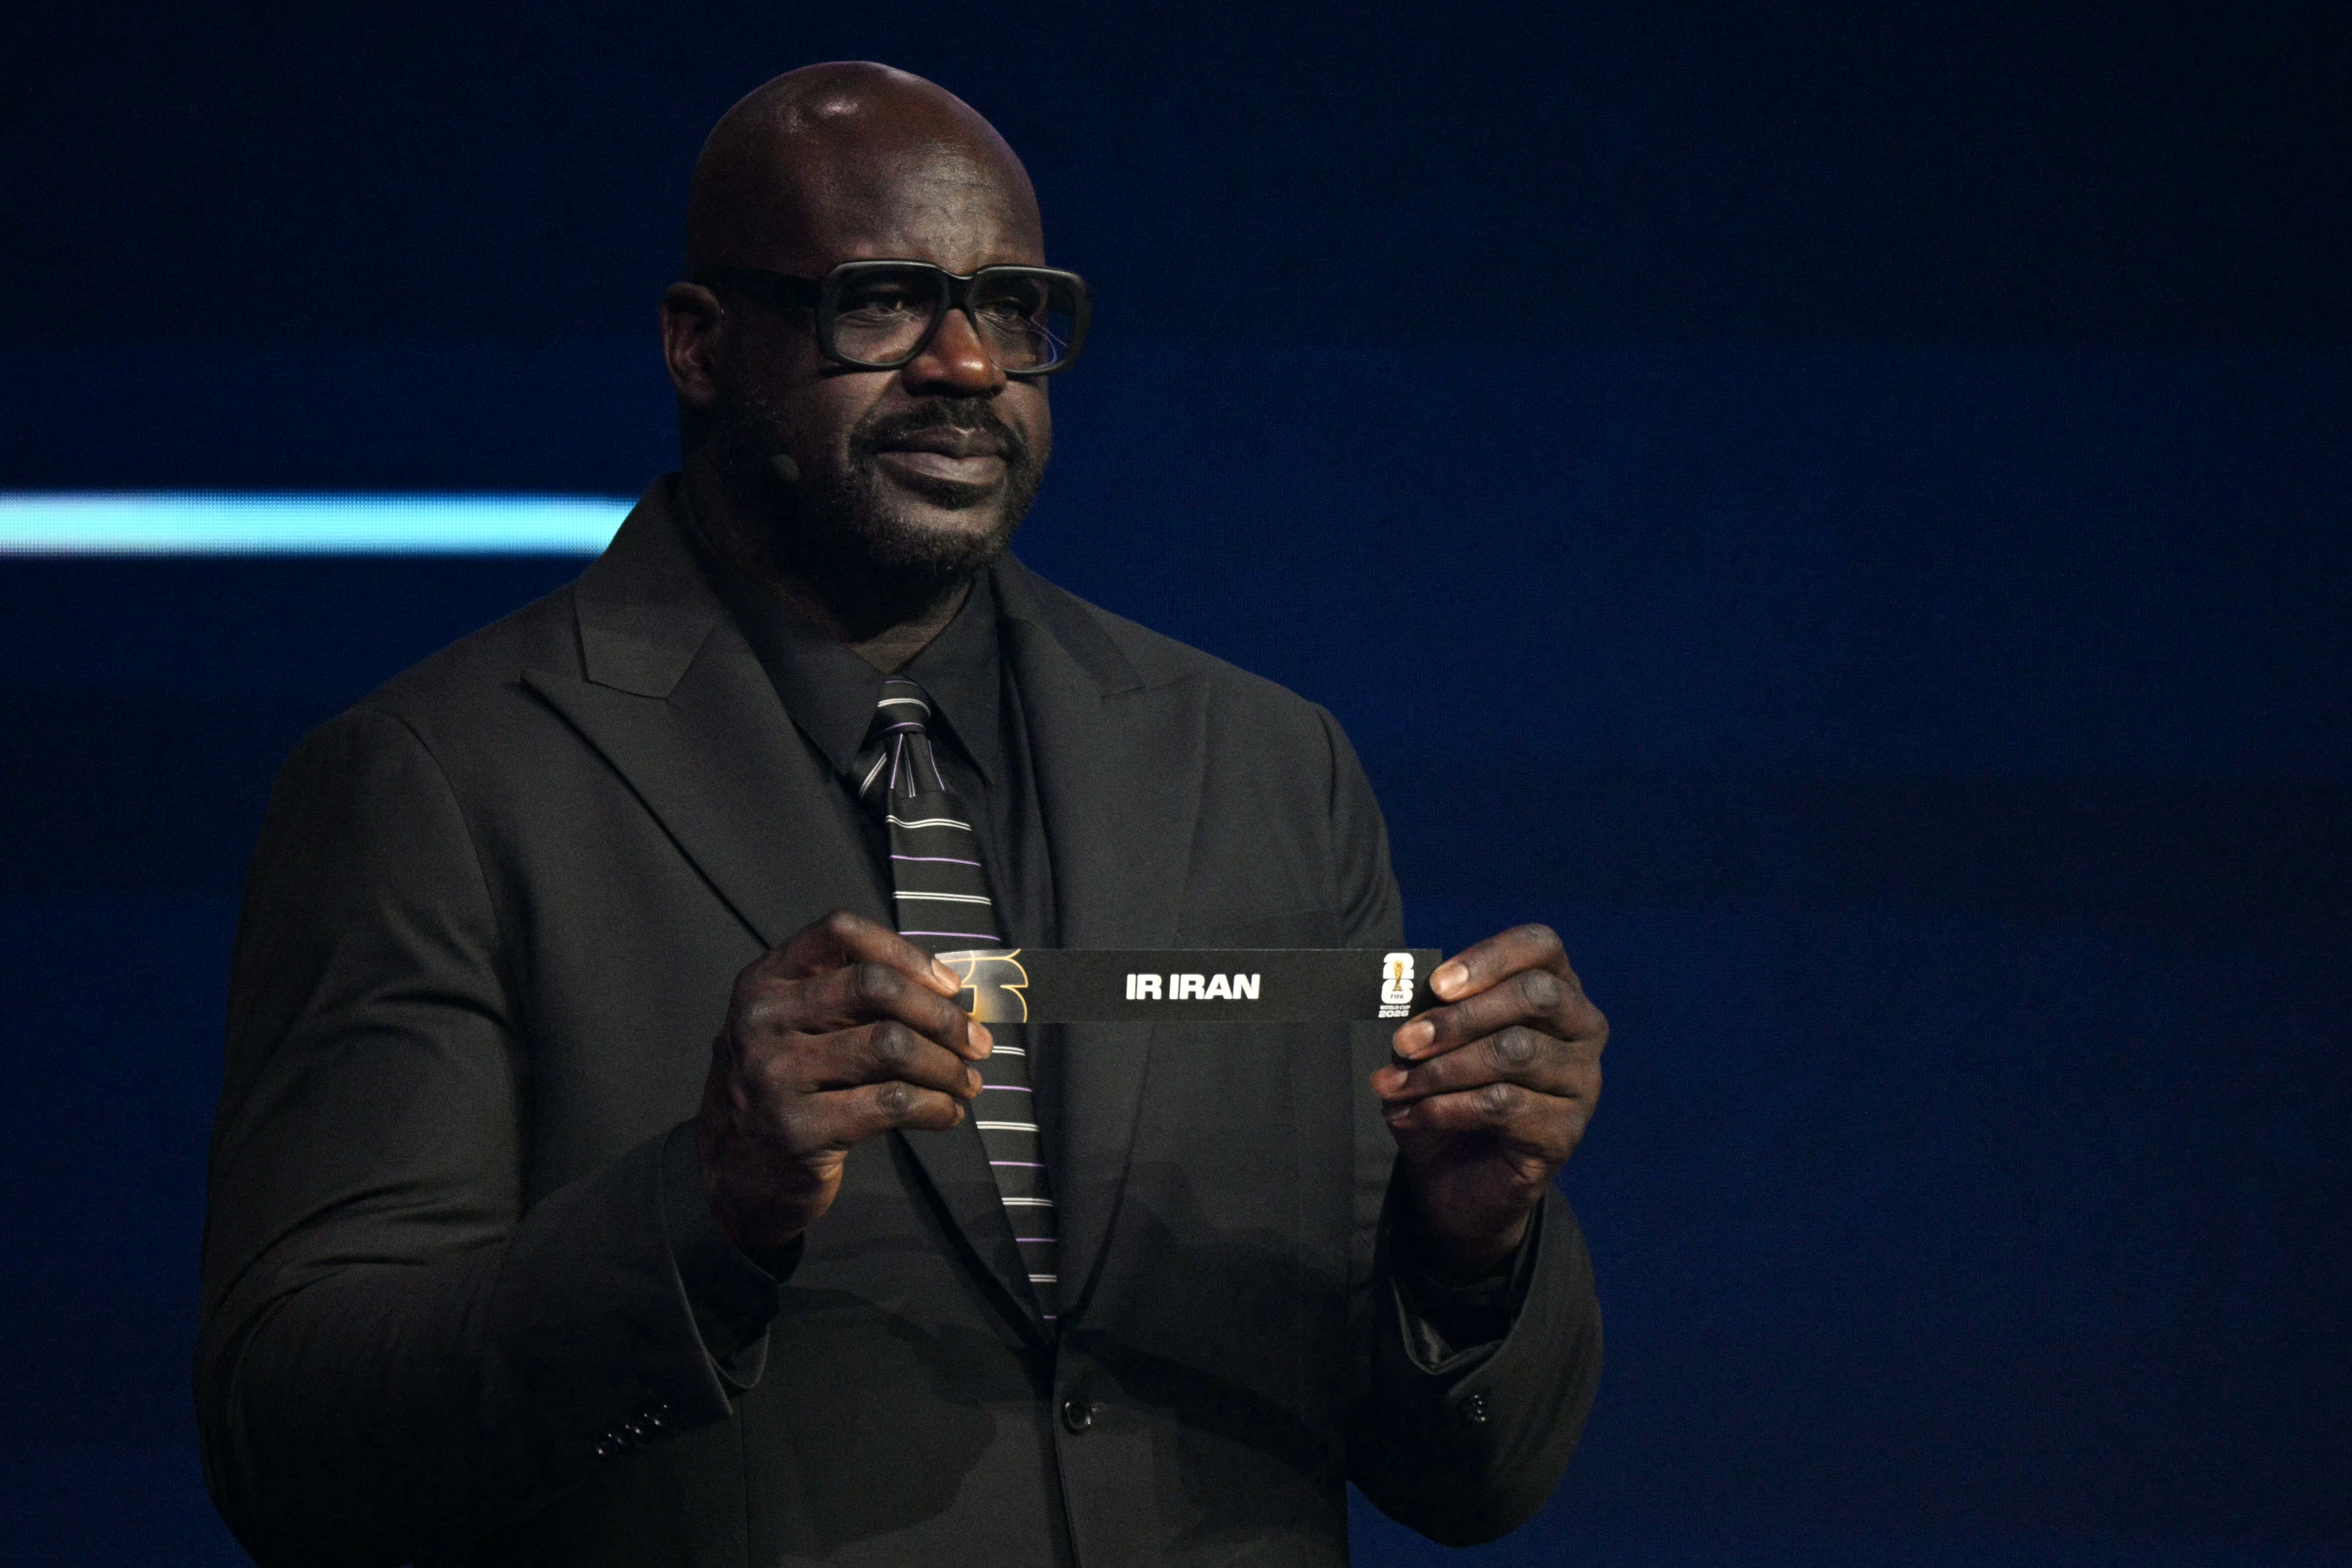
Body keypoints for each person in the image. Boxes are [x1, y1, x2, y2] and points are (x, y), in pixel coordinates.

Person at [197, 61, 1607, 1568]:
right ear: (699, 345)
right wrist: (707, 1207)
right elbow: (293, 1444)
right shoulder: (440, 777)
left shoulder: (1264, 765)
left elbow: (1478, 1479)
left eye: (1014, 311)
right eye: (881, 302)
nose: (967, 366)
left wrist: (1468, 1254)